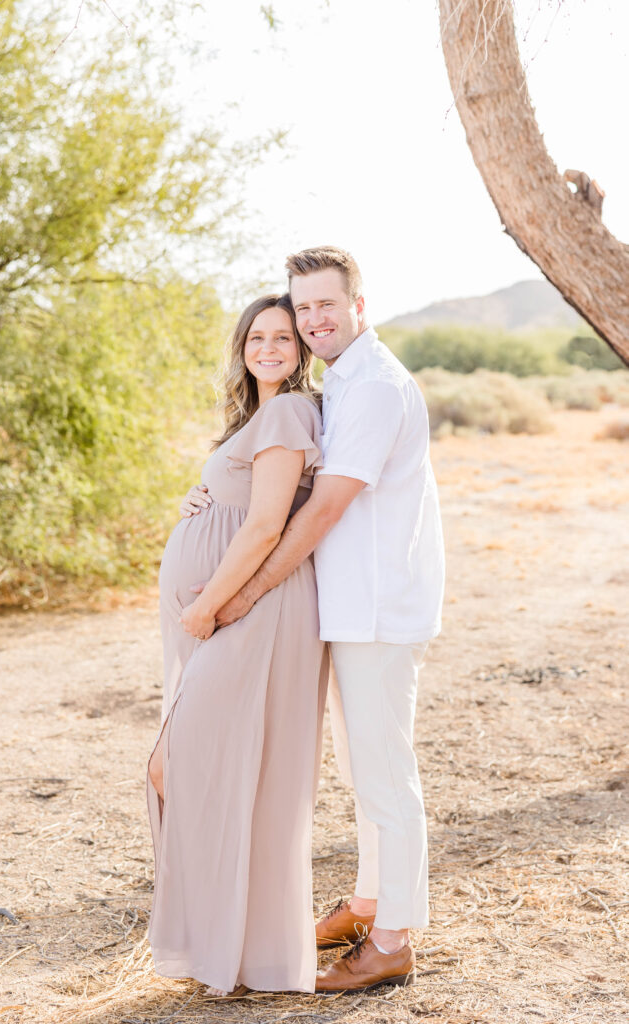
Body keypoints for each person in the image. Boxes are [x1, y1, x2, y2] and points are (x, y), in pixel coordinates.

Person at [192, 246, 445, 993]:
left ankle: (393, 940)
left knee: (384, 776)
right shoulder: (344, 382)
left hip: (376, 608)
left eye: (325, 305)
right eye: (303, 309)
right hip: (348, 608)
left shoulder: (371, 390)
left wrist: (245, 594)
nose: (313, 320)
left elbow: (325, 509)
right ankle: (368, 902)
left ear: (358, 306)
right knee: (363, 769)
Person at [146, 294, 329, 997]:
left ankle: (231, 946)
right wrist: (201, 495)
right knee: (229, 770)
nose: (270, 347)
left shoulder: (287, 411)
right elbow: (240, 504)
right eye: (257, 336)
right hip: (230, 611)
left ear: (302, 348)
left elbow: (260, 531)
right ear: (242, 346)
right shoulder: (261, 416)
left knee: (186, 764)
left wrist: (210, 605)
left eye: (284, 337)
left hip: (250, 611)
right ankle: (234, 951)